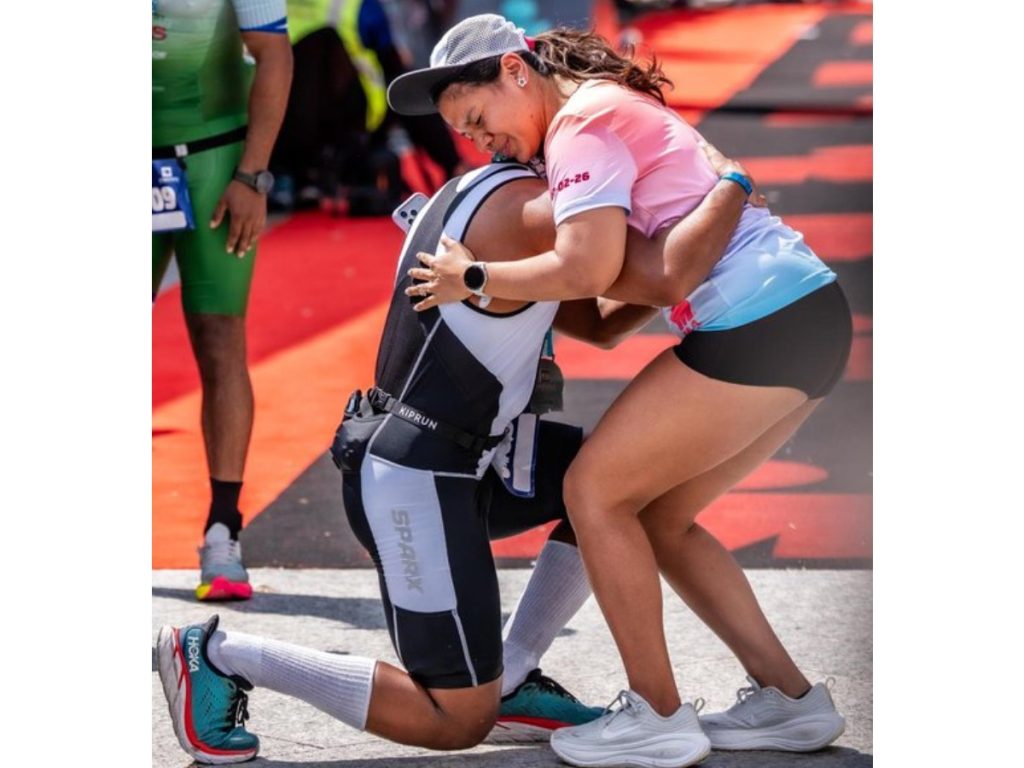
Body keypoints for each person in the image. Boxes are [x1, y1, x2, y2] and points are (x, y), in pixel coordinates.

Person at [156, 137, 756, 762]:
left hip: (463, 458)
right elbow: (663, 275)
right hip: (416, 476)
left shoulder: (496, 190)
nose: (469, 129)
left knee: (621, 483)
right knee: (454, 720)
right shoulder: (526, 207)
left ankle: (515, 673)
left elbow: (602, 320)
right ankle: (216, 652)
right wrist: (728, 188)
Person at [387, 14, 850, 767]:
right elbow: (607, 315)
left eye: (478, 121)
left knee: (594, 491)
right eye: (465, 137)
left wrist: (469, 276)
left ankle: (657, 715)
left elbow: (588, 266)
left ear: (515, 71)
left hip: (764, 322)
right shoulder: (593, 114)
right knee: (660, 518)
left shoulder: (583, 120)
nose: (481, 142)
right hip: (800, 318)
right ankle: (791, 702)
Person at [152, 0, 293, 601]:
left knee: (219, 342)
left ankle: (223, 530)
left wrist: (253, 176)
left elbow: (274, 53)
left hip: (215, 161)